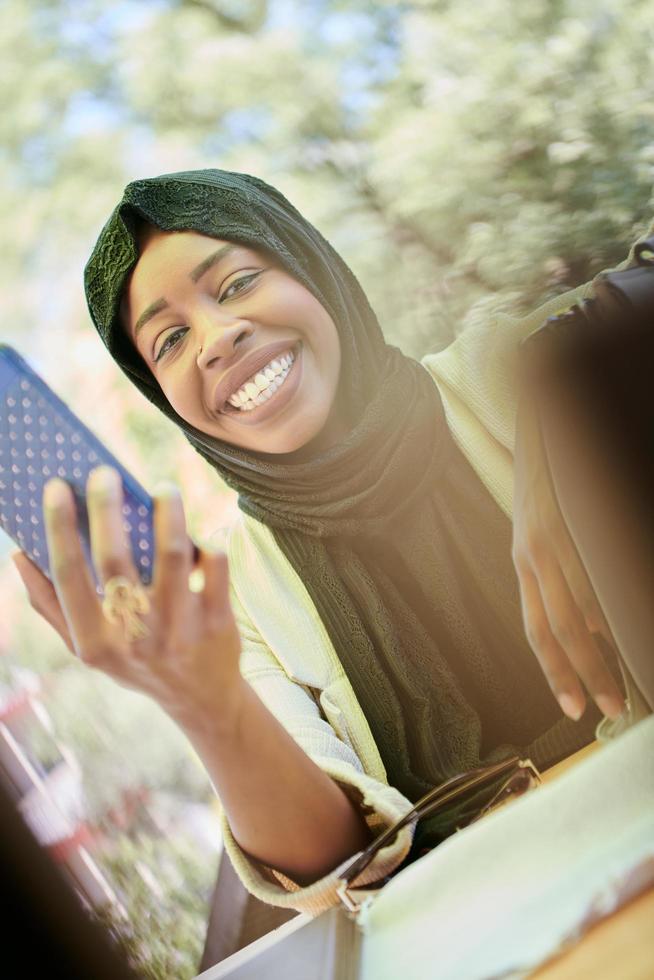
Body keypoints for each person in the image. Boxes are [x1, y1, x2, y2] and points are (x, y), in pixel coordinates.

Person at [12, 169, 653, 918]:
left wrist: (560, 402)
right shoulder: (232, 588)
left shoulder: (507, 369)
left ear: (313, 269)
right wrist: (205, 705)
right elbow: (333, 862)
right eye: (171, 339)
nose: (217, 341)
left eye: (238, 283)